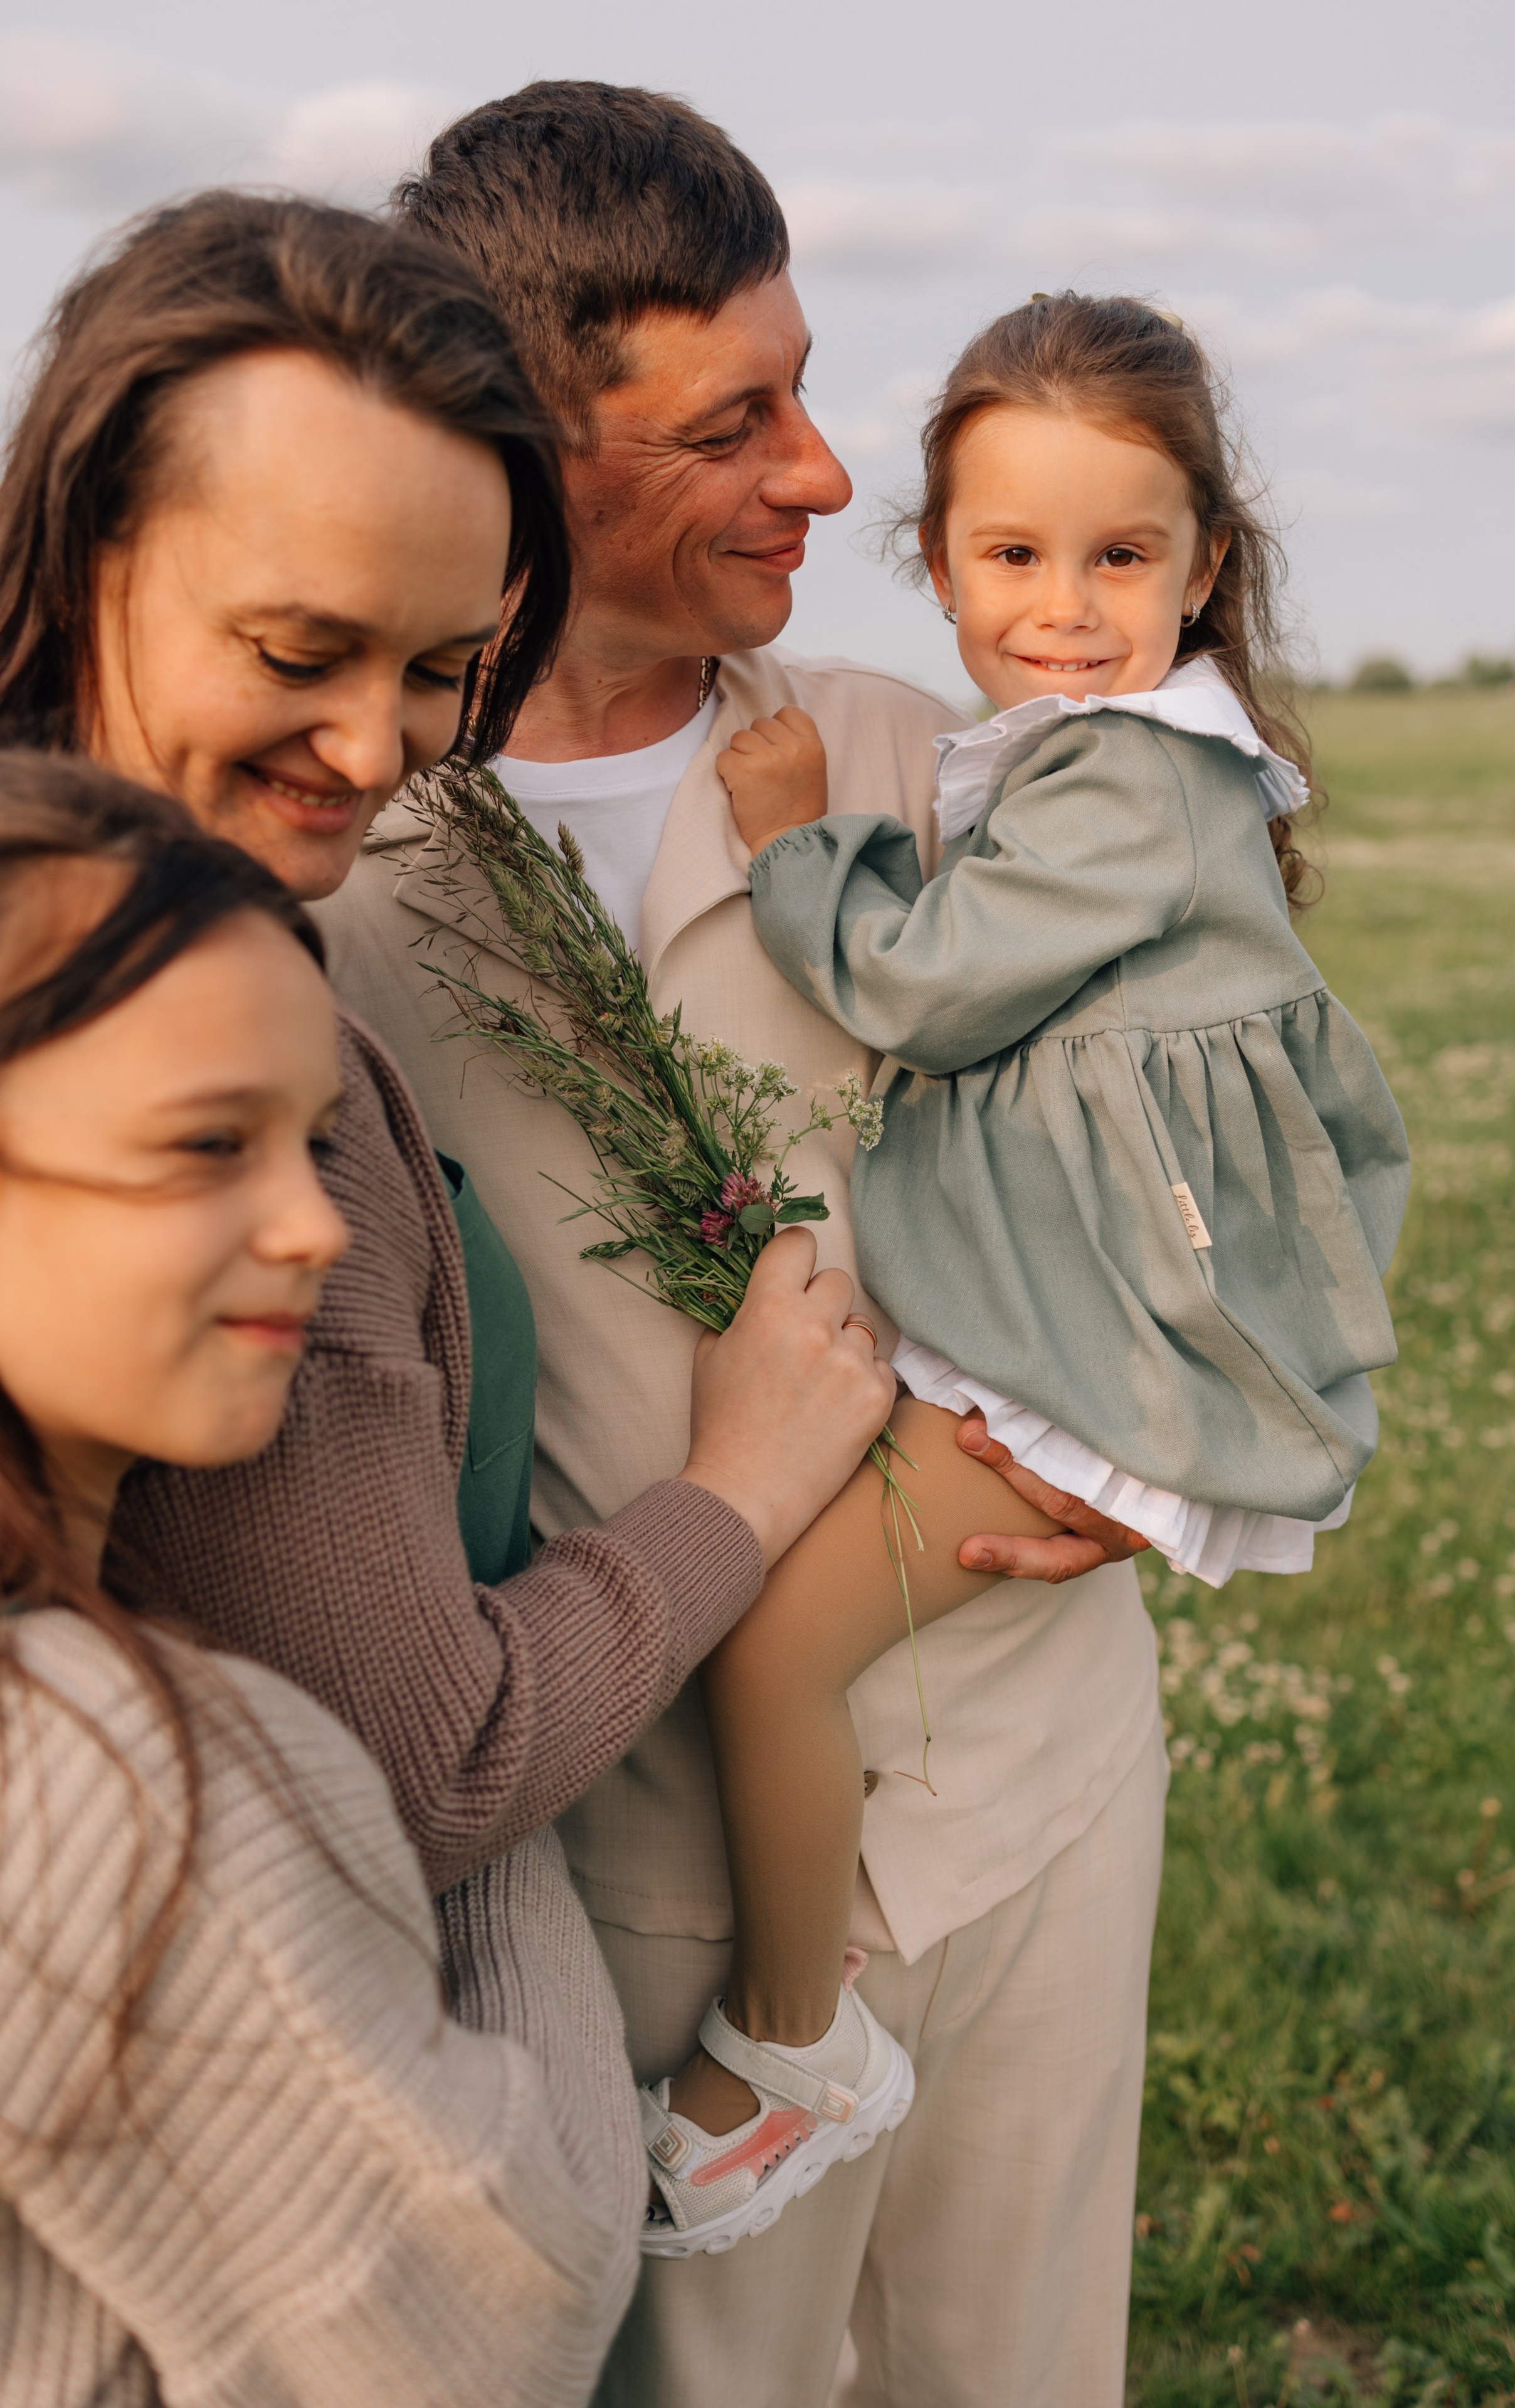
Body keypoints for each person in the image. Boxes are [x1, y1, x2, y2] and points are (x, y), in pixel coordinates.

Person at [0, 189, 899, 2395]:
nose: (380, 748)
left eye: (432, 671)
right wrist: (748, 1484)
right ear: (86, 545)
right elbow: (433, 1752)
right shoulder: (148, 1046)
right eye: (299, 653)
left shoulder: (203, 924)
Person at [319, 83, 1164, 2407]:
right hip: (636, 1881)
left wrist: (1180, 1417)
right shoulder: (336, 874)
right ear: (526, 448)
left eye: (807, 388)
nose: (823, 476)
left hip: (1038, 1785)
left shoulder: (929, 763)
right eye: (736, 421)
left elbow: (1200, 1111)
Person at [636, 291, 1412, 2247]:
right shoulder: (1105, 755)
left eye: (1122, 556)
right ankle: (800, 2029)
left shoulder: (1133, 780)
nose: (1063, 604)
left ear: (1204, 566)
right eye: (1012, 554)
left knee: (772, 1644)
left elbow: (927, 987)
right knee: (788, 1637)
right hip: (1070, 1310)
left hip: (1080, 1343)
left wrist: (801, 847)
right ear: (940, 559)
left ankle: (782, 2049)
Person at [0, 751, 640, 2404]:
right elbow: (516, 2311)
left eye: (313, 1142)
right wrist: (472, 1833)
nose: (315, 1227)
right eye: (209, 1145)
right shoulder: (119, 1790)